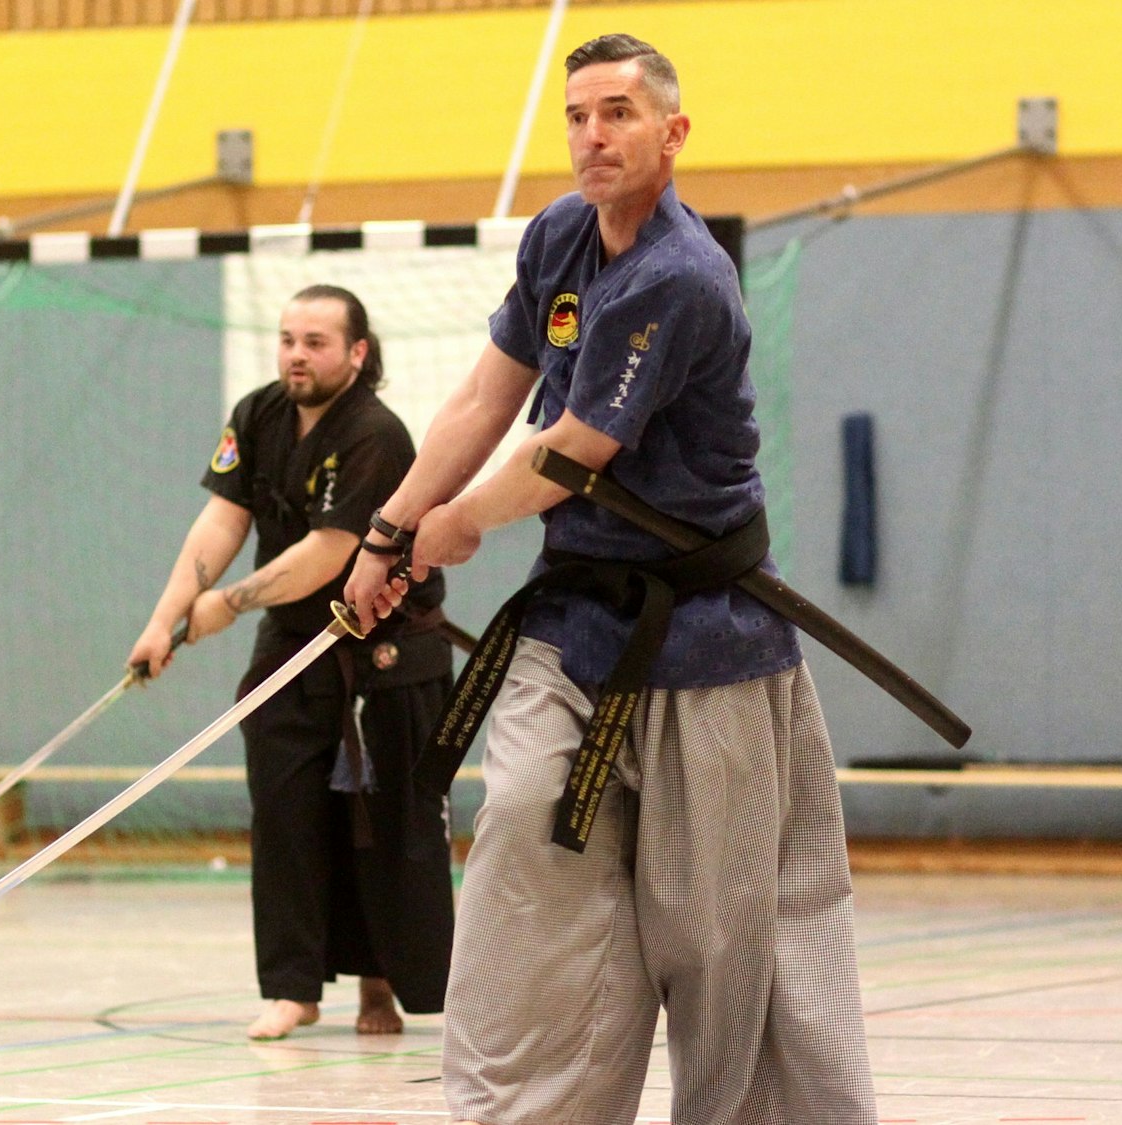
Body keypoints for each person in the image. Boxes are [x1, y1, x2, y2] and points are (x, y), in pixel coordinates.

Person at [344, 33, 876, 1125]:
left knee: (717, 934)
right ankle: (532, 1109)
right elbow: (484, 400)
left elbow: (573, 446)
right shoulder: (556, 239)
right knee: (527, 822)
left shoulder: (677, 277)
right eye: (578, 115)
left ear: (671, 133)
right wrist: (386, 531)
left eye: (619, 113)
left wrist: (458, 525)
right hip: (575, 620)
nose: (594, 135)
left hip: (708, 644)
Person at [127, 285, 455, 1041]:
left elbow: (331, 553)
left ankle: (383, 986)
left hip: (384, 654)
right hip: (291, 651)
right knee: (282, 812)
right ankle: (291, 987)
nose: (296, 355)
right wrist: (163, 618)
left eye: (315, 341)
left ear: (357, 353)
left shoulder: (376, 434)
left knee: (380, 827)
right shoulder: (257, 414)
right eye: (286, 339)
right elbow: (221, 520)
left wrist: (229, 602)